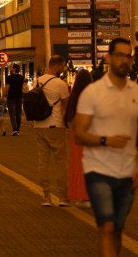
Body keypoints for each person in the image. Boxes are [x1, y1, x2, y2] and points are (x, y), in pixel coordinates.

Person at [74, 38, 138, 257]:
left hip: (127, 172)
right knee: (106, 227)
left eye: (128, 56)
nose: (124, 60)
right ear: (108, 58)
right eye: (119, 55)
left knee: (118, 229)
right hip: (97, 169)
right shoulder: (93, 92)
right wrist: (105, 140)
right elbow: (79, 133)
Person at [34, 55, 71, 206]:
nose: (63, 69)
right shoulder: (60, 84)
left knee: (43, 162)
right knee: (60, 162)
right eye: (62, 66)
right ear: (57, 66)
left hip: (39, 126)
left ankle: (46, 197)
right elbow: (65, 107)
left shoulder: (38, 81)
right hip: (56, 126)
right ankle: (62, 197)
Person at [64, 69, 93, 206]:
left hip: (74, 136)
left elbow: (68, 118)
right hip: (88, 135)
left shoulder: (73, 97)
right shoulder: (91, 96)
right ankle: (86, 196)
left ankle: (76, 194)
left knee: (75, 166)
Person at [6, 64, 26, 135]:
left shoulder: (9, 77)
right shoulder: (21, 77)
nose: (10, 68)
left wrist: (4, 95)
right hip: (19, 97)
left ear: (14, 69)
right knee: (18, 114)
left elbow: (7, 88)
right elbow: (22, 87)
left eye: (11, 67)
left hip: (11, 97)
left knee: (12, 114)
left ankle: (14, 130)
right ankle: (18, 130)